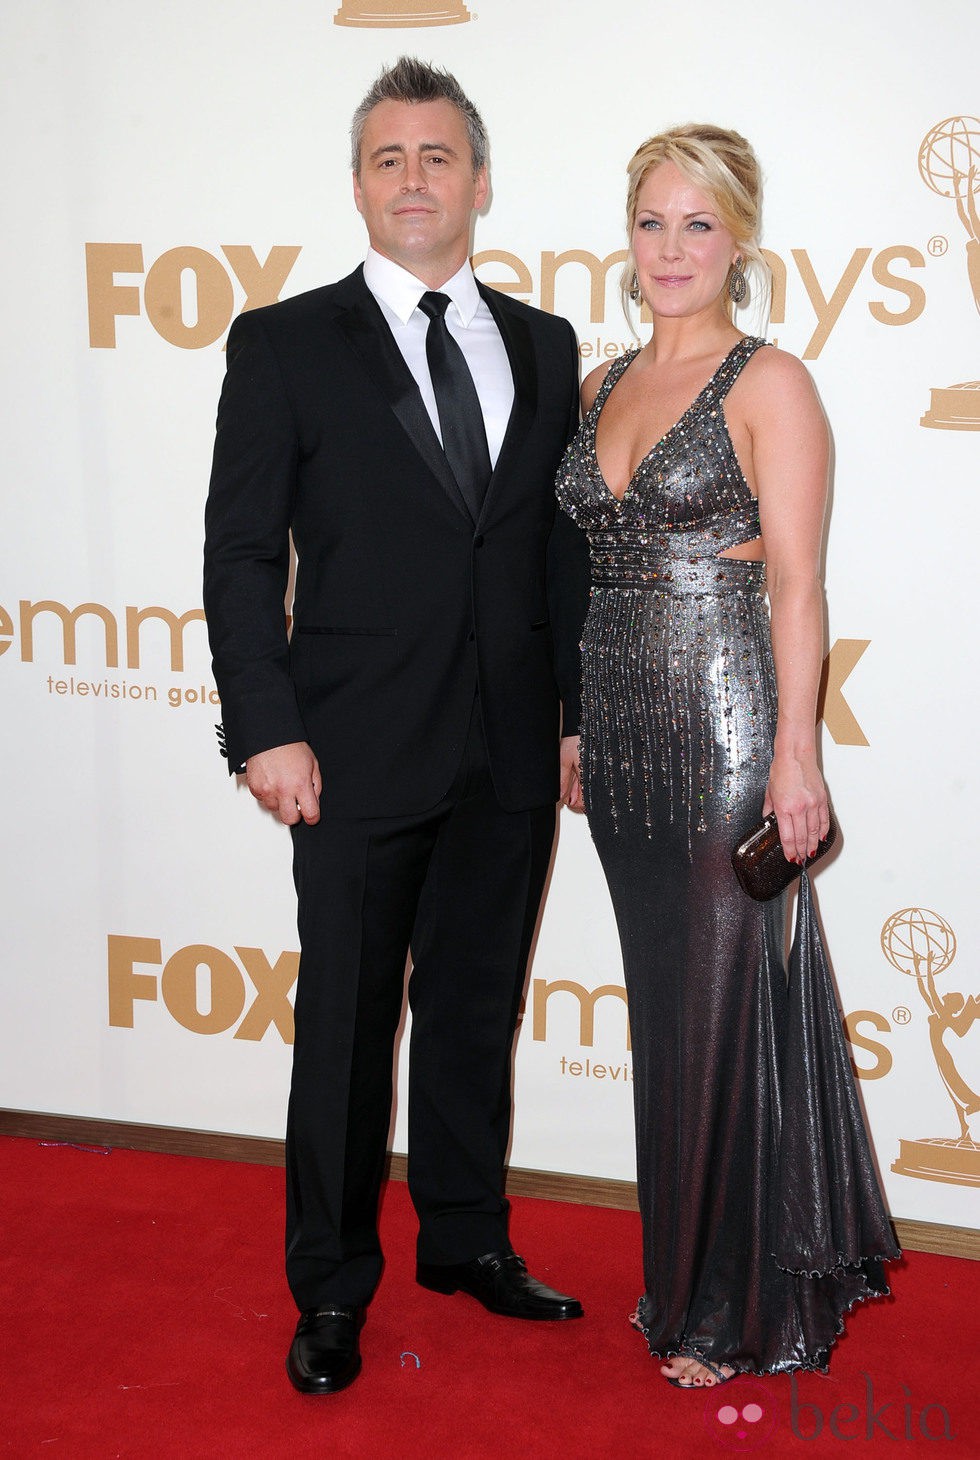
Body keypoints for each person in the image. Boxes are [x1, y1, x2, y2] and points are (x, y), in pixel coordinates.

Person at [203, 57, 590, 1396]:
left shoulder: (546, 345)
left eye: (437, 157)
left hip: (508, 747)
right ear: (360, 187)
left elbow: (555, 556)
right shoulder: (284, 342)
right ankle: (331, 1287)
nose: (413, 179)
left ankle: (466, 1243)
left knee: (478, 1009)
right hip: (352, 749)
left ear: (481, 182)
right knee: (349, 1029)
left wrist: (572, 722)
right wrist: (265, 727)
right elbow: (243, 553)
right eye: (387, 159)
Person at [555, 124, 899, 1388]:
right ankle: (694, 1267)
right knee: (672, 1016)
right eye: (651, 220)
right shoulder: (595, 384)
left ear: (737, 239)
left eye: (696, 224)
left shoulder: (769, 383)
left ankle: (722, 1304)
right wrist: (574, 723)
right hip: (619, 741)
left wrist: (793, 756)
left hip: (722, 733)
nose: (669, 247)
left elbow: (799, 585)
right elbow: (582, 568)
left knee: (715, 1008)